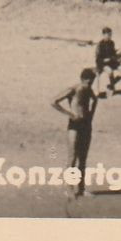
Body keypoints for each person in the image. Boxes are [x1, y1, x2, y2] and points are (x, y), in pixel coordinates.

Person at [51, 67, 99, 197]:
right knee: (72, 157)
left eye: (91, 82)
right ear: (83, 79)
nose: (89, 85)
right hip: (74, 125)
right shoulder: (73, 89)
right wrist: (70, 114)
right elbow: (54, 101)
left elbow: (95, 100)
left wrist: (91, 115)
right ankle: (69, 188)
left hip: (86, 125)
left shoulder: (88, 89)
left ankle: (81, 189)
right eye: (88, 82)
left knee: (83, 158)